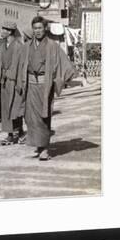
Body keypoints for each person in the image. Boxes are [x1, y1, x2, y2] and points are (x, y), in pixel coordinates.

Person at [19, 16, 75, 161]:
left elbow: (63, 63)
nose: (37, 31)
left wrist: (63, 78)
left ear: (45, 29)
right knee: (31, 117)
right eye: (35, 28)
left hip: (45, 85)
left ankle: (44, 149)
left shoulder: (52, 46)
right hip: (30, 84)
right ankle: (38, 145)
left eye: (40, 28)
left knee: (44, 116)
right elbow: (21, 66)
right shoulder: (26, 46)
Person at [0, 22, 26, 145]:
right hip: (3, 81)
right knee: (5, 108)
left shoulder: (18, 46)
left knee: (15, 107)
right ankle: (10, 134)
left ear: (10, 31)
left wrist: (19, 82)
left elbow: (20, 65)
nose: (2, 31)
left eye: (4, 29)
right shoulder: (2, 45)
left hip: (14, 80)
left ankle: (19, 132)